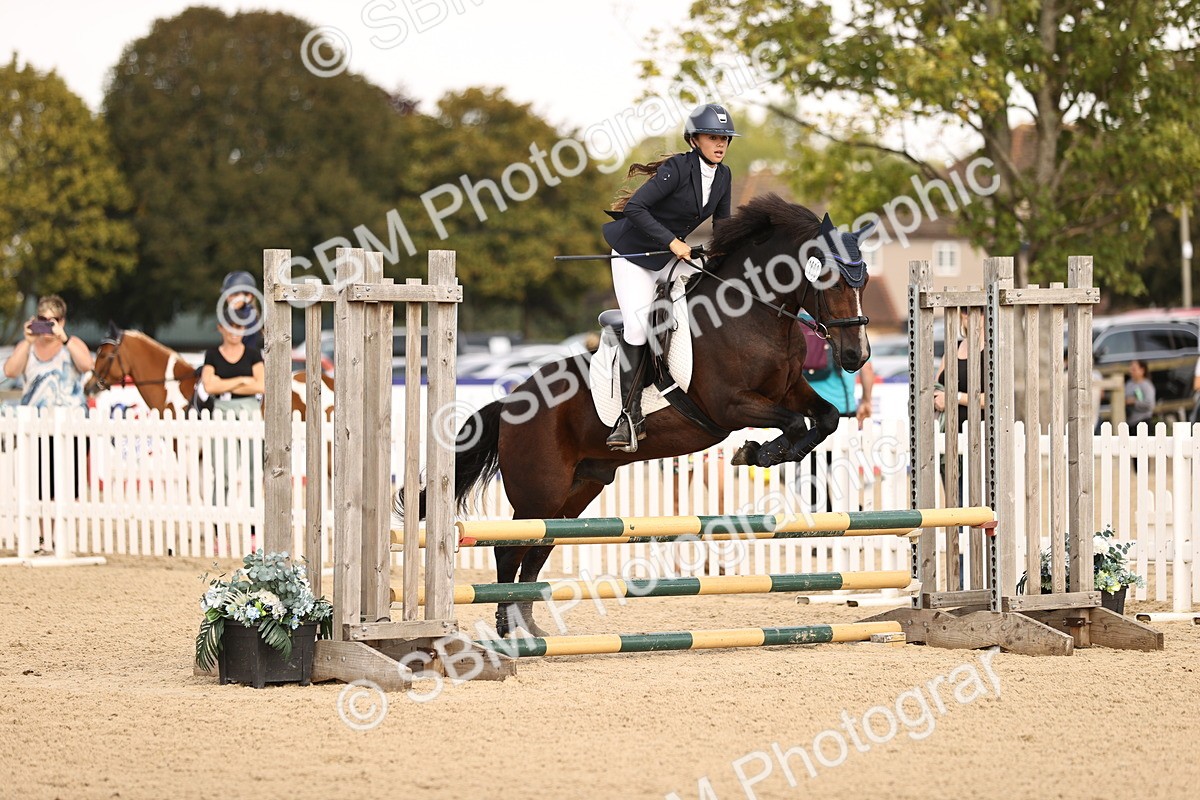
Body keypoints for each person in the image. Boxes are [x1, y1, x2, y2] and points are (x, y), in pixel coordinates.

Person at [600, 103, 737, 451]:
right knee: (638, 326)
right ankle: (628, 417)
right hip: (635, 256)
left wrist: (724, 256)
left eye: (725, 138)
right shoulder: (677, 168)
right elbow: (635, 208)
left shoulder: (724, 176)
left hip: (671, 257)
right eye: (713, 137)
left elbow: (722, 226)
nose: (720, 144)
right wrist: (673, 241)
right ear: (694, 140)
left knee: (710, 297)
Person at [201, 319, 264, 509]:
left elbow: (261, 385)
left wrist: (224, 382)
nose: (235, 331)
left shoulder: (253, 354)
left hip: (249, 409)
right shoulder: (212, 354)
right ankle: (217, 528)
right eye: (230, 326)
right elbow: (210, 386)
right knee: (223, 470)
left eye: (240, 326)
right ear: (220, 327)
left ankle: (253, 527)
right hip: (222, 408)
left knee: (254, 470)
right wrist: (243, 380)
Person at [3, 294, 94, 409]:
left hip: (70, 418)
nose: (48, 325)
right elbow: (10, 372)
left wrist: (65, 340)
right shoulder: (27, 346)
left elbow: (87, 366)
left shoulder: (73, 343)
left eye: (53, 320)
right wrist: (28, 341)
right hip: (34, 419)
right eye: (43, 320)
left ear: (62, 322)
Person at [220, 270, 263, 352]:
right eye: (228, 294)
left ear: (249, 296)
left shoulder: (246, 318)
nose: (230, 299)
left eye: (235, 294)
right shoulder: (235, 315)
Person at [1125, 359, 1155, 430]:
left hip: (1142, 421)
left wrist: (1134, 402)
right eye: (1131, 369)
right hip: (1130, 422)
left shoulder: (1147, 386)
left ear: (1142, 370)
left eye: (1134, 369)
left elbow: (1149, 404)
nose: (1131, 371)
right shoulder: (1129, 384)